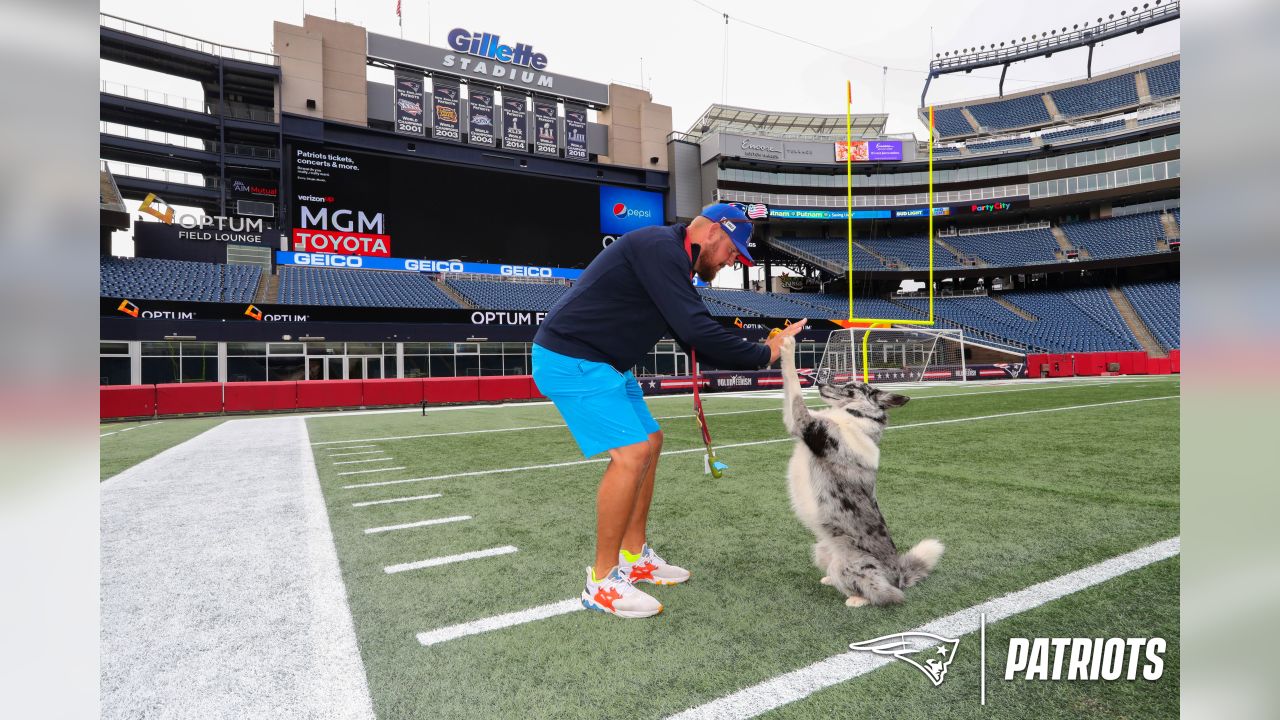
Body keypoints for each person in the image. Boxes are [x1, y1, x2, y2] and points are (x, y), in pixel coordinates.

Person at [531, 203, 807, 619]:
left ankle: (633, 555)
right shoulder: (661, 248)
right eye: (733, 251)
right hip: (573, 359)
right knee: (632, 453)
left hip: (604, 363)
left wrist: (755, 345)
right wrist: (764, 353)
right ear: (713, 232)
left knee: (651, 442)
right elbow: (696, 329)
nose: (733, 262)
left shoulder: (671, 257)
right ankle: (601, 582)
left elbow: (688, 331)